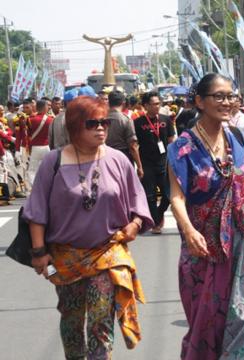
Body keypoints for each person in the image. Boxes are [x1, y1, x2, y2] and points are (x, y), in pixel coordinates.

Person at [23, 96, 153, 359]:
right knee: (71, 320)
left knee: (100, 321)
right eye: (92, 123)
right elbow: (36, 211)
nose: (101, 128)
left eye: (104, 122)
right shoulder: (53, 162)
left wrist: (135, 223)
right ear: (74, 126)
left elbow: (138, 200)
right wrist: (39, 253)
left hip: (107, 254)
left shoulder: (118, 160)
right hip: (65, 257)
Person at [167, 73, 244, 359]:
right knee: (208, 320)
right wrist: (190, 232)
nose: (227, 102)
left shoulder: (236, 136)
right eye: (219, 96)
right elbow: (176, 197)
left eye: (231, 96)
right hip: (205, 247)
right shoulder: (182, 147)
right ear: (199, 101)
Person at [134, 91, 175, 234]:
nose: (157, 106)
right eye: (154, 104)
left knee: (168, 194)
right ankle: (155, 223)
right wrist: (139, 166)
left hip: (164, 162)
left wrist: (173, 162)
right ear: (146, 106)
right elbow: (135, 145)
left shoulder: (166, 120)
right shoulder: (138, 123)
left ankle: (158, 214)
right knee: (150, 195)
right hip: (147, 163)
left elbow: (171, 141)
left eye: (159, 103)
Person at [106, 90, 144, 177]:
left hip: (106, 158)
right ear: (123, 103)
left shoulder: (101, 119)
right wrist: (139, 166)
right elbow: (133, 146)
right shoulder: (126, 120)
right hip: (123, 157)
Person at [25, 99, 53, 189]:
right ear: (45, 108)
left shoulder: (30, 119)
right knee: (48, 169)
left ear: (36, 108)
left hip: (35, 147)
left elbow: (28, 135)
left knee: (32, 170)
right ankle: (47, 187)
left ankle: (35, 188)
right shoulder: (51, 119)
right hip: (47, 147)